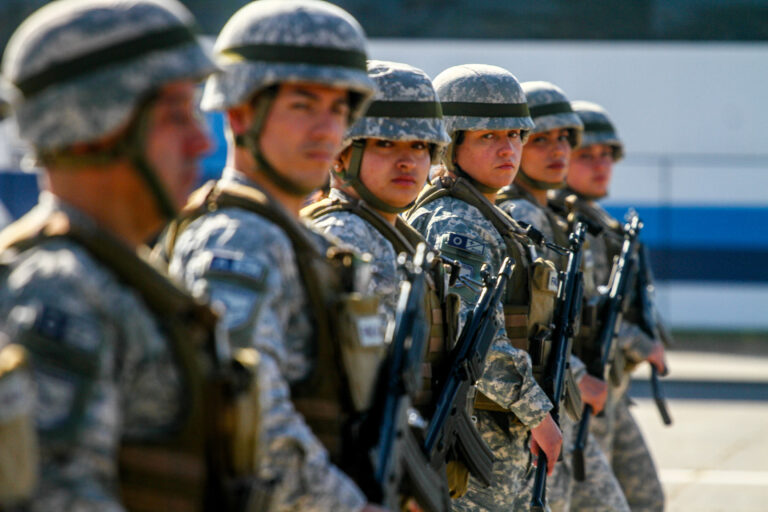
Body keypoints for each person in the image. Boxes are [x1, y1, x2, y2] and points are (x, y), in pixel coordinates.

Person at [0, 1, 264, 510]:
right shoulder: (58, 291)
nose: (200, 140)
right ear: (97, 126)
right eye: (174, 116)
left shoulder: (119, 278)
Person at [157, 1, 390, 511]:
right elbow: (254, 416)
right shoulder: (238, 238)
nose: (327, 129)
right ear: (239, 113)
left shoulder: (300, 241)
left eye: (339, 108)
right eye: (303, 106)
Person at [302, 59, 474, 498]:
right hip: (363, 471)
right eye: (385, 144)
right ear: (342, 156)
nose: (408, 161)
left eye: (421, 147)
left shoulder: (395, 233)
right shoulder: (345, 237)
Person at [405, 63, 563, 512]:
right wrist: (537, 411)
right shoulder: (459, 223)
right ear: (451, 143)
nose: (508, 148)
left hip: (497, 431)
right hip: (473, 433)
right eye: (488, 137)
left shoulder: (490, 219)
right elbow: (475, 335)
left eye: (515, 135)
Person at [551, 100, 667, 512]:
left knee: (646, 499)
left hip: (610, 389)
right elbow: (584, 314)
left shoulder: (596, 220)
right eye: (587, 156)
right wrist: (640, 342)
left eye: (607, 156)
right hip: (584, 391)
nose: (601, 166)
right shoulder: (562, 226)